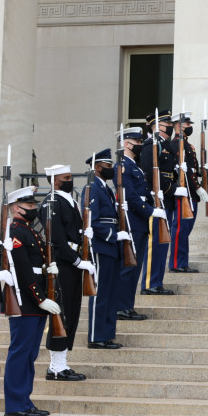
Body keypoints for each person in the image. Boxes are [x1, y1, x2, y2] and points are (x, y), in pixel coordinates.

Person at [1, 186, 58, 416]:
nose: (34, 208)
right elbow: (23, 271)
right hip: (26, 301)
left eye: (34, 205)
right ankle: (15, 406)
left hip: (35, 301)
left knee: (30, 354)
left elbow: (34, 264)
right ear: (17, 208)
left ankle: (25, 402)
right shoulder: (15, 231)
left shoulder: (29, 231)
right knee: (20, 353)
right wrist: (41, 298)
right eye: (30, 205)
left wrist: (47, 268)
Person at [40, 165, 93, 381]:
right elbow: (58, 240)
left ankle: (61, 364)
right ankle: (55, 366)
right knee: (60, 315)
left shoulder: (68, 200)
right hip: (62, 264)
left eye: (70, 177)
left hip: (72, 264)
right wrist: (77, 260)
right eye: (66, 177)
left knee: (70, 313)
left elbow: (71, 232)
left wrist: (84, 235)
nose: (71, 180)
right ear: (54, 180)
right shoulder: (52, 202)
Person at [114, 127, 163, 320]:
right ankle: (121, 307)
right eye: (138, 142)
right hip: (132, 221)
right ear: (127, 144)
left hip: (139, 222)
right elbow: (130, 196)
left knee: (135, 267)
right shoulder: (123, 166)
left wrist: (152, 199)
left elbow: (140, 193)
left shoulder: (135, 166)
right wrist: (151, 211)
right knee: (128, 266)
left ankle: (127, 305)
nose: (141, 146)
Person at [82, 149, 129, 349]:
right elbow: (91, 219)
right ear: (98, 167)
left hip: (113, 246)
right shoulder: (93, 188)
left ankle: (107, 334)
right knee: (101, 293)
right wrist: (112, 235)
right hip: (103, 245)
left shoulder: (107, 189)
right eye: (108, 166)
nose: (112, 169)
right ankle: (95, 336)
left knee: (111, 293)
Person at [140, 110, 184, 295]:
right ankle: (149, 283)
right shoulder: (152, 145)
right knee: (155, 243)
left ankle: (157, 282)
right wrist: (172, 189)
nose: (171, 127)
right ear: (159, 126)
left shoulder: (166, 145)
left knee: (163, 244)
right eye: (167, 124)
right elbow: (151, 174)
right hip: (157, 198)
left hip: (167, 200)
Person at [169, 111, 208, 272]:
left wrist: (201, 171)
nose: (190, 127)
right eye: (187, 124)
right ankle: (176, 264)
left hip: (191, 193)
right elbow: (184, 173)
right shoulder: (175, 144)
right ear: (178, 126)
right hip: (184, 192)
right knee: (180, 229)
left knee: (185, 230)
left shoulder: (188, 145)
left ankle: (183, 262)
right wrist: (198, 187)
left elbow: (192, 170)